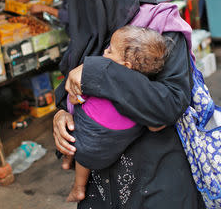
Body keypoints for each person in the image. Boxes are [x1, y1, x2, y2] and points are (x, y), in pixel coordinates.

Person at [53, 0, 205, 208]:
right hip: (99, 193)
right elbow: (69, 95)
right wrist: (61, 116)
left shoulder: (159, 30)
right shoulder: (86, 36)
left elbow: (169, 104)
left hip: (158, 187)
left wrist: (96, 72)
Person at [64, 25, 169, 203]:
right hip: (117, 145)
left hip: (92, 142)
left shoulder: (103, 80)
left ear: (125, 66)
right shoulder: (144, 91)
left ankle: (78, 186)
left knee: (76, 138)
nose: (105, 51)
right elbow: (155, 124)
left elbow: (76, 99)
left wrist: (75, 100)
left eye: (110, 50)